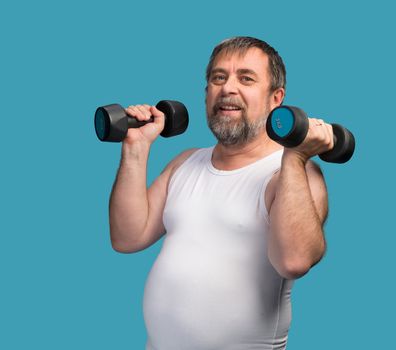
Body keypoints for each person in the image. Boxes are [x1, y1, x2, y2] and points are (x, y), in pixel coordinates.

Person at [108, 36, 332, 350]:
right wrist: (136, 149)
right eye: (218, 78)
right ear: (206, 94)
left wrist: (294, 156)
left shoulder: (292, 173)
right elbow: (127, 237)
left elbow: (294, 261)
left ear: (275, 98)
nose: (228, 88)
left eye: (246, 78)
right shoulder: (185, 162)